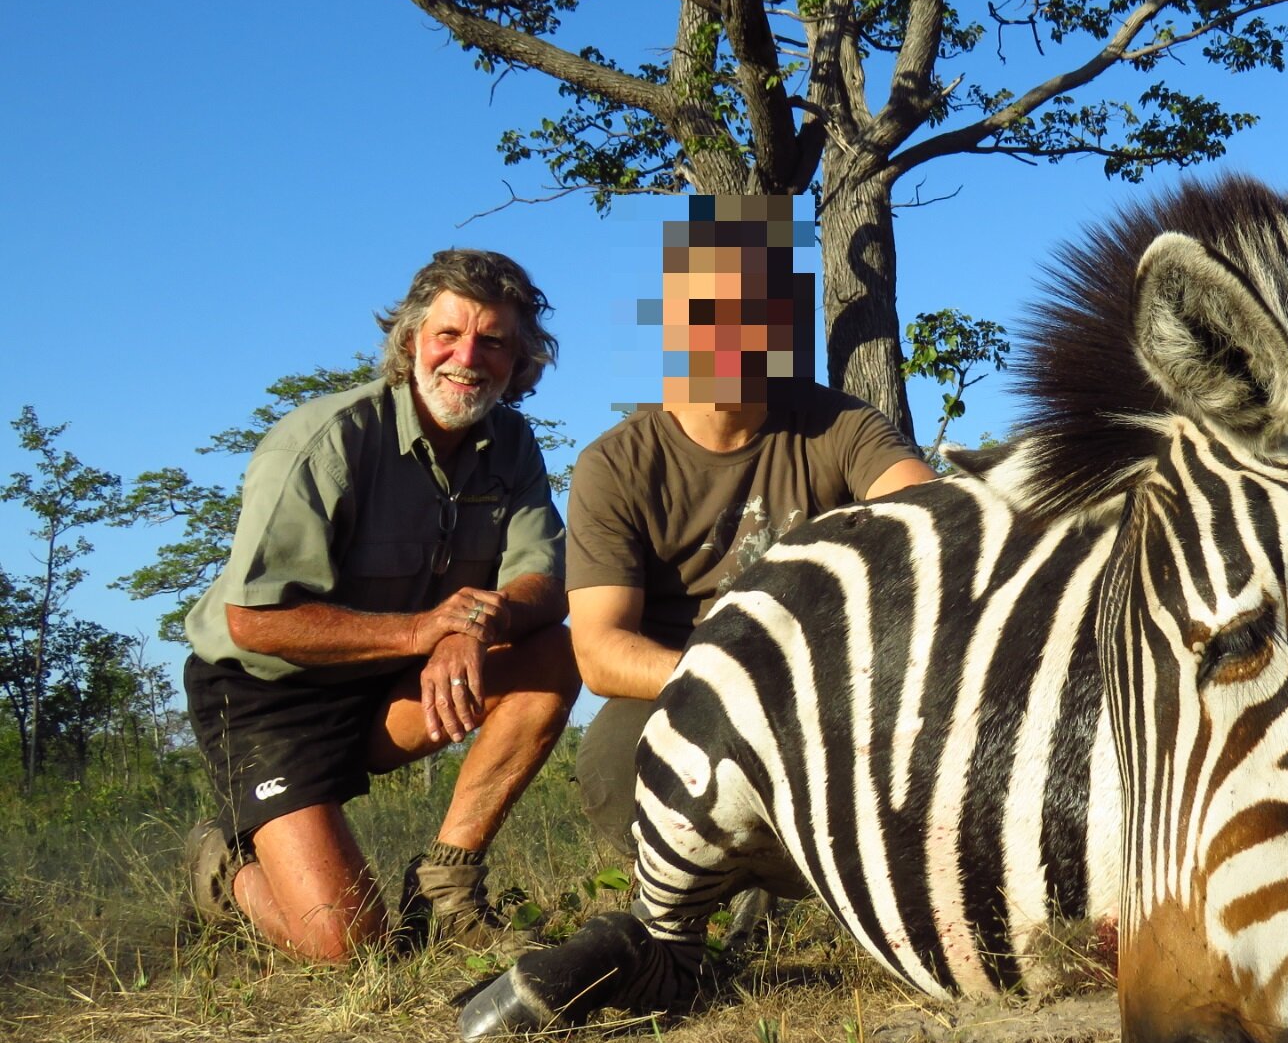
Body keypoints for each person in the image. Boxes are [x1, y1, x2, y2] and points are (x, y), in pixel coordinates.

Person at [180, 249, 581, 961]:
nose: (468, 358)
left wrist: (469, 627)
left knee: (553, 654)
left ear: (521, 360)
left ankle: (446, 888)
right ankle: (223, 869)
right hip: (267, 694)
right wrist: (426, 630)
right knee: (349, 946)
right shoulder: (324, 440)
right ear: (410, 342)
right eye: (449, 336)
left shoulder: (513, 444)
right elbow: (252, 620)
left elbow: (542, 587)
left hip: (388, 687)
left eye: (494, 342)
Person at [568, 196, 937, 856]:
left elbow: (933, 525)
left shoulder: (842, 426)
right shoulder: (613, 463)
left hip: (826, 683)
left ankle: (799, 881)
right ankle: (692, 890)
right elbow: (599, 652)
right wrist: (743, 683)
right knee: (614, 770)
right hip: (685, 685)